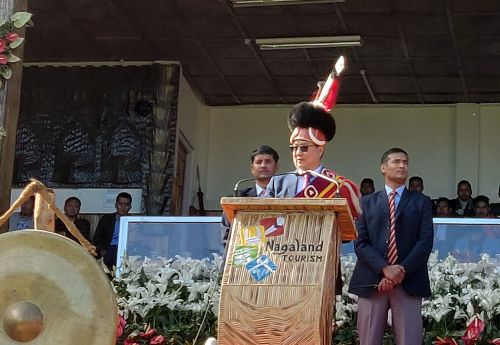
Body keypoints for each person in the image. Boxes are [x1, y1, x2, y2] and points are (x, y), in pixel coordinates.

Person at [266, 101, 361, 294]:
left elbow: (350, 231)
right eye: (294, 148)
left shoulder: (338, 186)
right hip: (281, 267)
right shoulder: (278, 183)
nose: (297, 153)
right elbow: (263, 225)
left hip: (322, 267)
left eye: (303, 147)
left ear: (320, 149)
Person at [348, 147, 434, 345]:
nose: (402, 165)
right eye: (396, 161)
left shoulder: (421, 202)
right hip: (372, 281)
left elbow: (425, 242)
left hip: (408, 281)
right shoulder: (367, 202)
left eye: (405, 162)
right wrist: (385, 269)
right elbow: (360, 243)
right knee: (368, 339)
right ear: (383, 168)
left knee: (409, 340)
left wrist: (399, 272)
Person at [93, 192, 132, 269]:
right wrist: (101, 249)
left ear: (130, 206)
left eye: (126, 205)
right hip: (109, 248)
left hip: (127, 249)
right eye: (120, 204)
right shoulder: (107, 219)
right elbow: (97, 237)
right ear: (116, 205)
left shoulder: (133, 221)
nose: (123, 207)